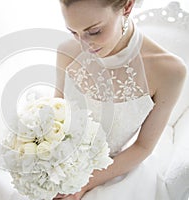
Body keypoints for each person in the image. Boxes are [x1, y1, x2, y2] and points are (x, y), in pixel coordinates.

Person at [53, 0, 187, 199]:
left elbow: (143, 147)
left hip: (115, 169)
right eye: (73, 32)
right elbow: (57, 113)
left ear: (127, 6)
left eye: (94, 31)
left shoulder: (169, 71)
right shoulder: (66, 50)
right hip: (59, 162)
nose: (83, 45)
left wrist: (82, 184)